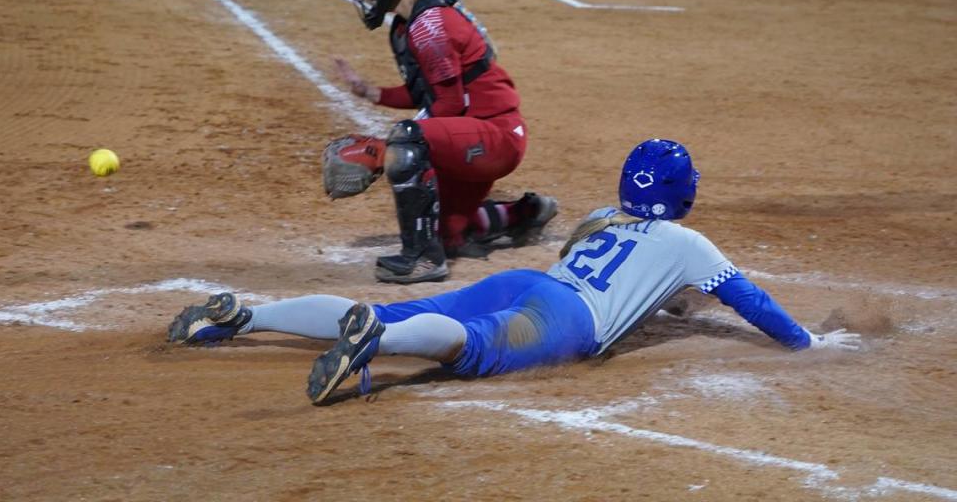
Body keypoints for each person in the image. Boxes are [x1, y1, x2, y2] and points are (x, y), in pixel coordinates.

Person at [168, 138, 862, 406]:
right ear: (681, 194)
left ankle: (241, 318)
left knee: (440, 313)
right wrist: (807, 343)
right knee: (476, 347)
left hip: (534, 283)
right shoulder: (691, 244)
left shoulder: (601, 217)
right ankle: (372, 337)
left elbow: (610, 268)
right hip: (565, 318)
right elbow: (751, 301)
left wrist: (664, 304)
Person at [329, 0, 557, 284]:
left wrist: (387, 149)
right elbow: (429, 95)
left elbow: (448, 105)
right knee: (450, 233)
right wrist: (371, 92)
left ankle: (422, 259)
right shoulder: (409, 25)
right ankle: (526, 212)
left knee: (407, 141)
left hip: (494, 137)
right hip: (475, 136)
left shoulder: (430, 26)